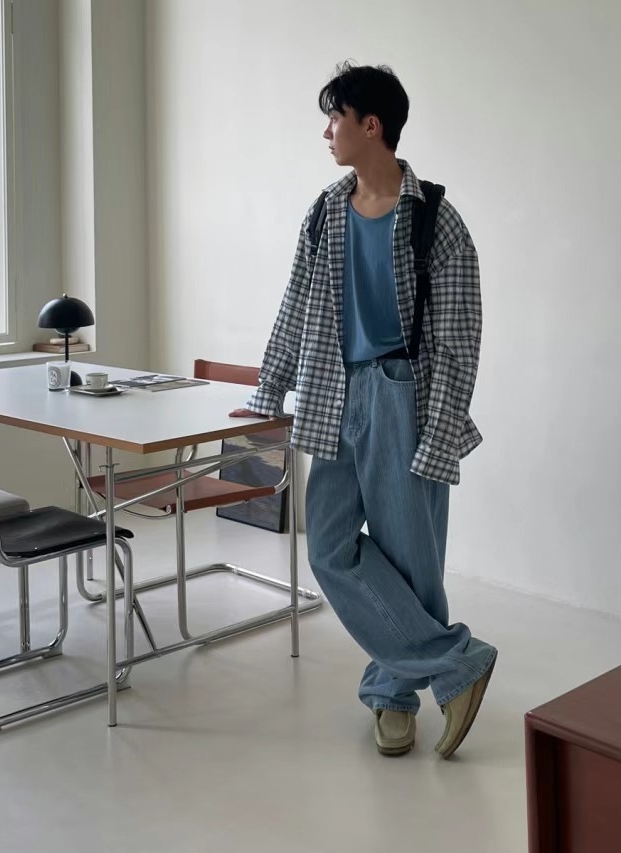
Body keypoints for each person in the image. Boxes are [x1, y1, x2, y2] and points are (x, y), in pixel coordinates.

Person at [230, 62, 497, 759]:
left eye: (335, 118)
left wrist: (439, 434)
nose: (327, 132)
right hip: (332, 391)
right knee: (328, 545)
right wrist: (268, 389)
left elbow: (459, 340)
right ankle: (457, 663)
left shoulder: (436, 219)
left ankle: (391, 694)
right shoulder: (325, 211)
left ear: (370, 125)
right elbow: (295, 304)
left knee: (411, 562)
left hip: (403, 395)